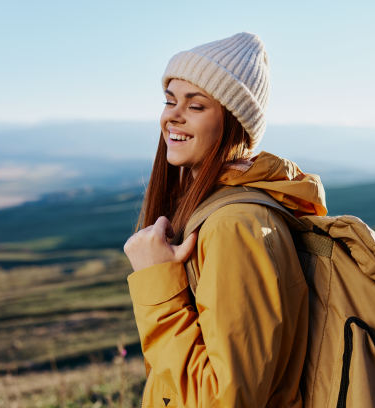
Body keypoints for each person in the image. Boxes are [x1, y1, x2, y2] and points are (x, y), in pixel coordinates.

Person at [123, 32, 327, 407]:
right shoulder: (216, 212)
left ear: (234, 122)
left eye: (196, 106)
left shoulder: (235, 227)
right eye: (170, 101)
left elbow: (223, 400)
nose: (172, 115)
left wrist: (157, 284)